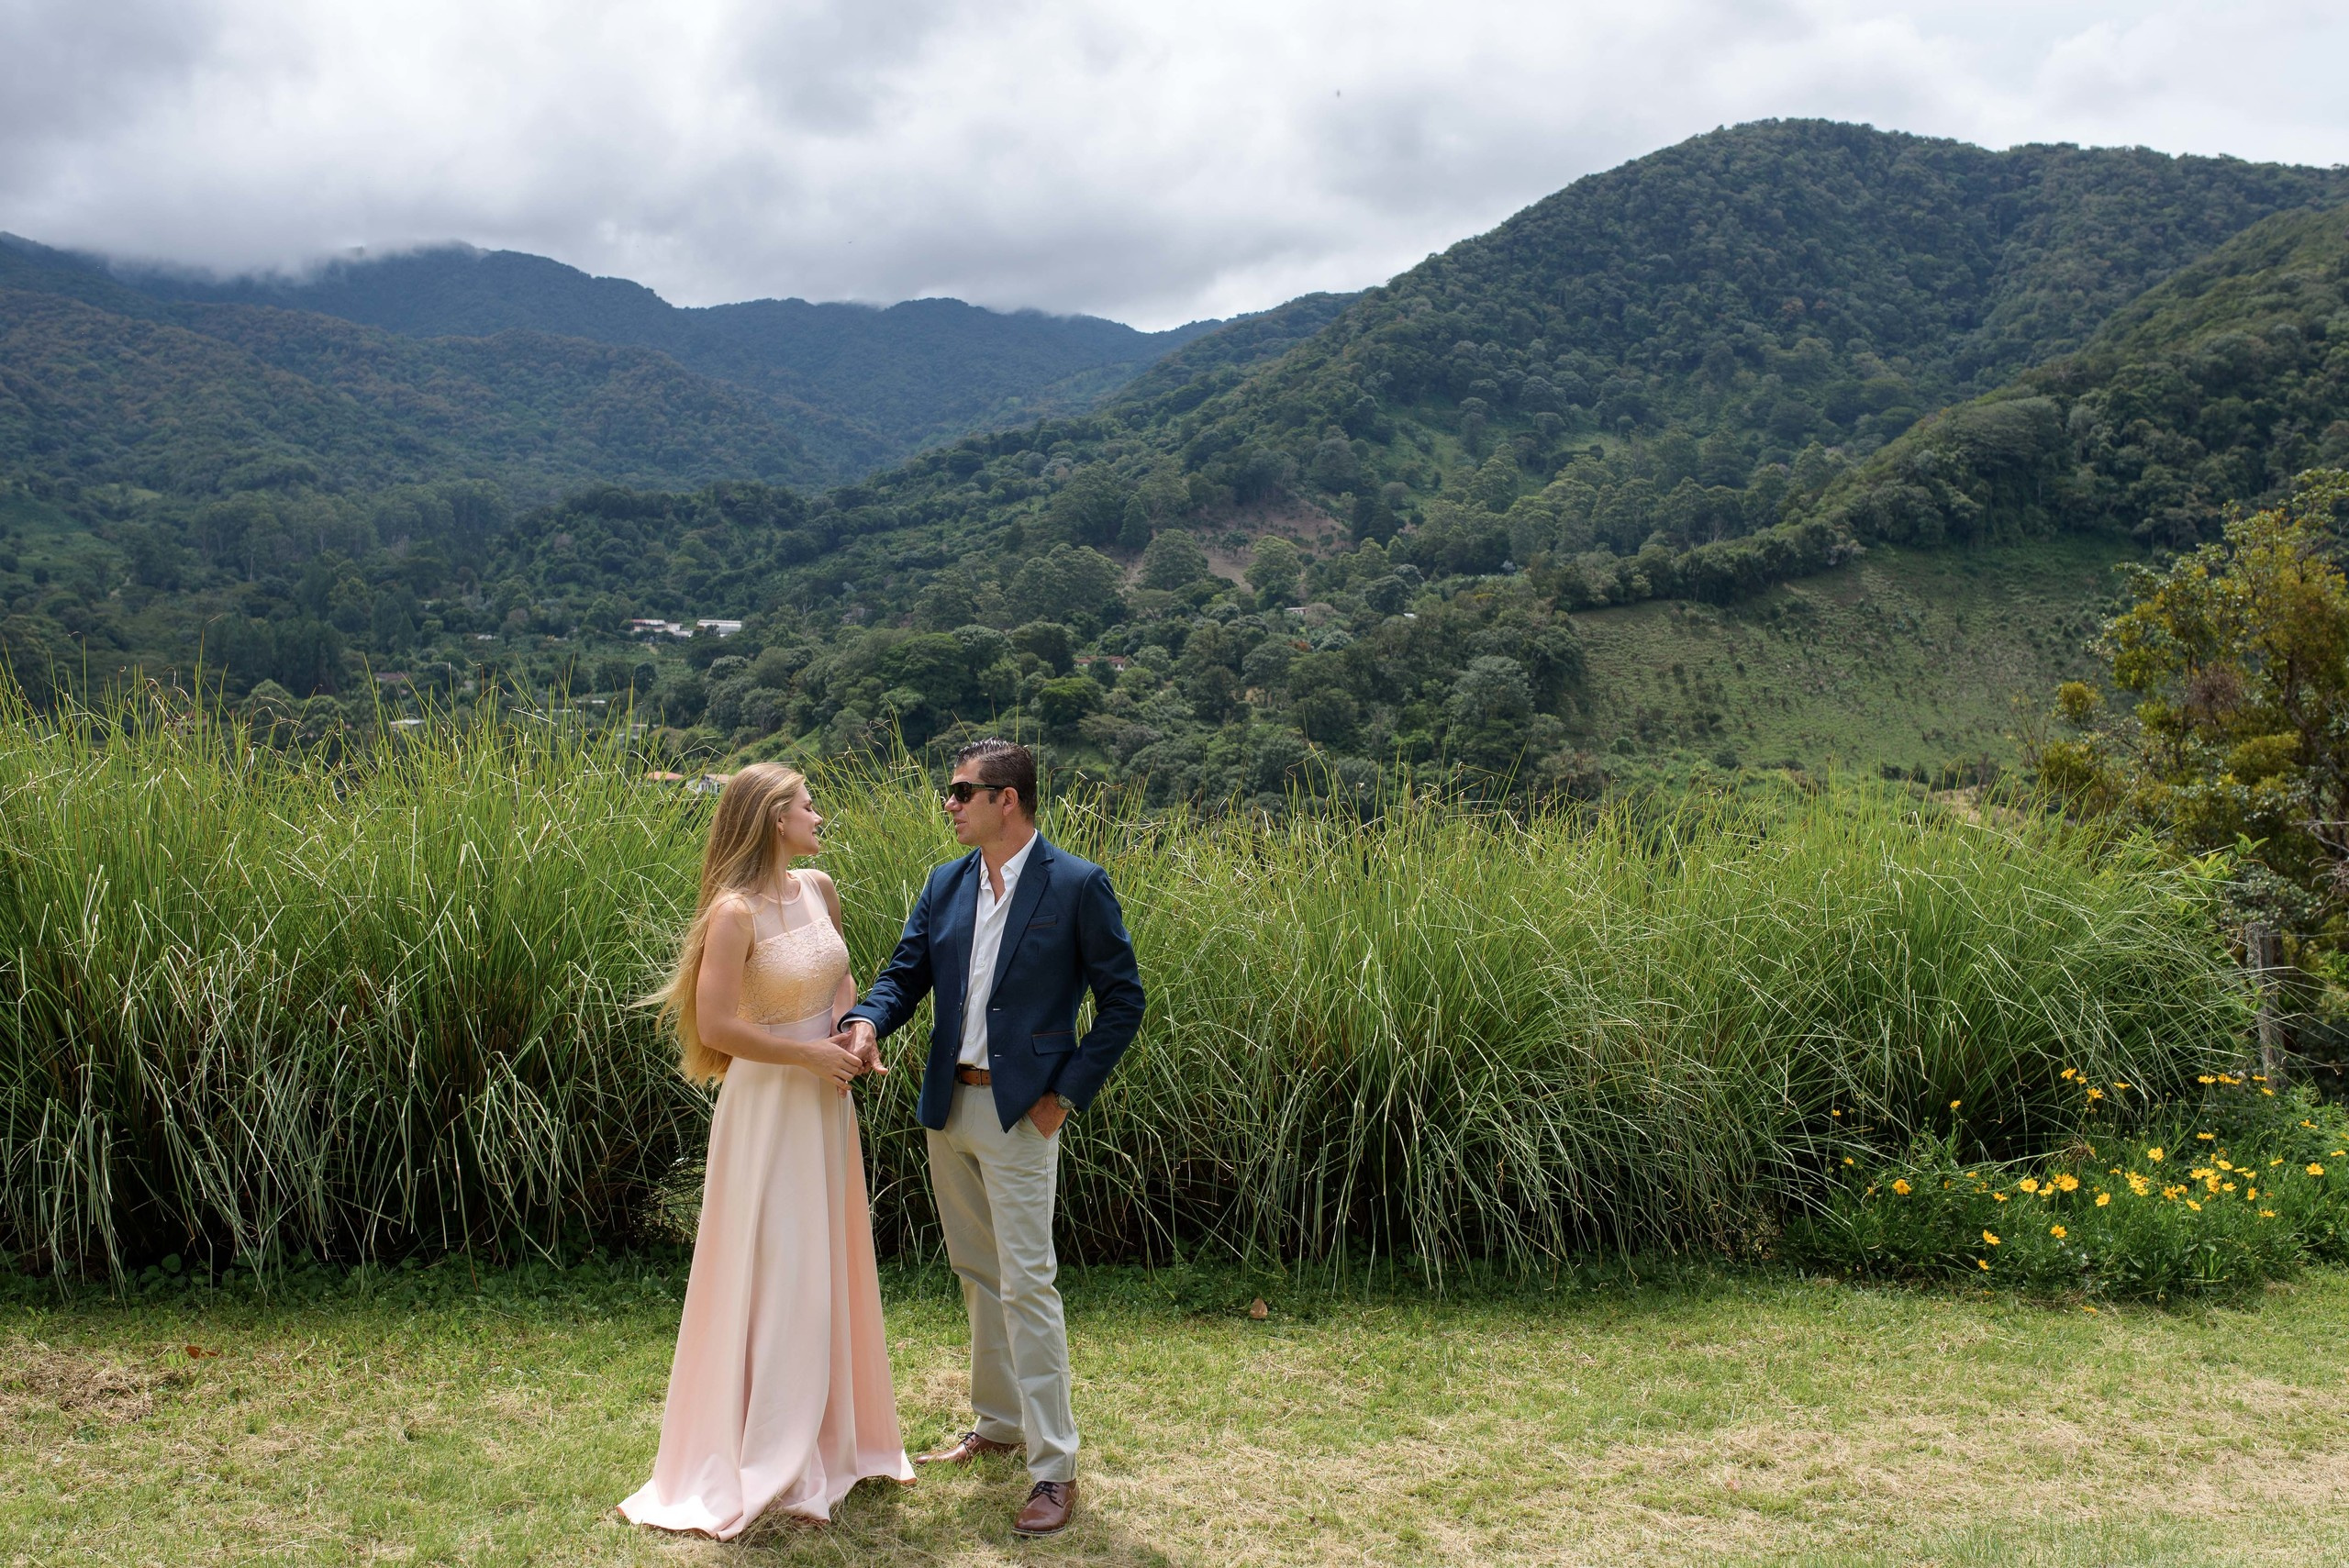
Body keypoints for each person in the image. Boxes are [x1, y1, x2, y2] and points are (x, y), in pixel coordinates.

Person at [838, 738, 1145, 1538]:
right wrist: (867, 1018)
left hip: (1022, 1114)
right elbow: (905, 974)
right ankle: (998, 1423)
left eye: (961, 790)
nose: (950, 802)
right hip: (950, 1107)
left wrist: (1065, 1097)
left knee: (1029, 1284)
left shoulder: (1077, 884)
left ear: (1008, 798)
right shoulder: (945, 883)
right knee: (979, 1272)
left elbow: (1123, 1001)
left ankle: (1053, 1468)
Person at [619, 763, 912, 1538]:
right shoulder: (732, 913)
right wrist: (806, 1057)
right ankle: (773, 1456)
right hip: (770, 1108)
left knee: (824, 1262)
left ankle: (829, 1437)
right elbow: (715, 1027)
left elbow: (840, 979)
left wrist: (855, 1034)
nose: (820, 814)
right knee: (781, 1268)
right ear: (772, 818)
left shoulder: (818, 887)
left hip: (825, 1103)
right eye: (807, 804)